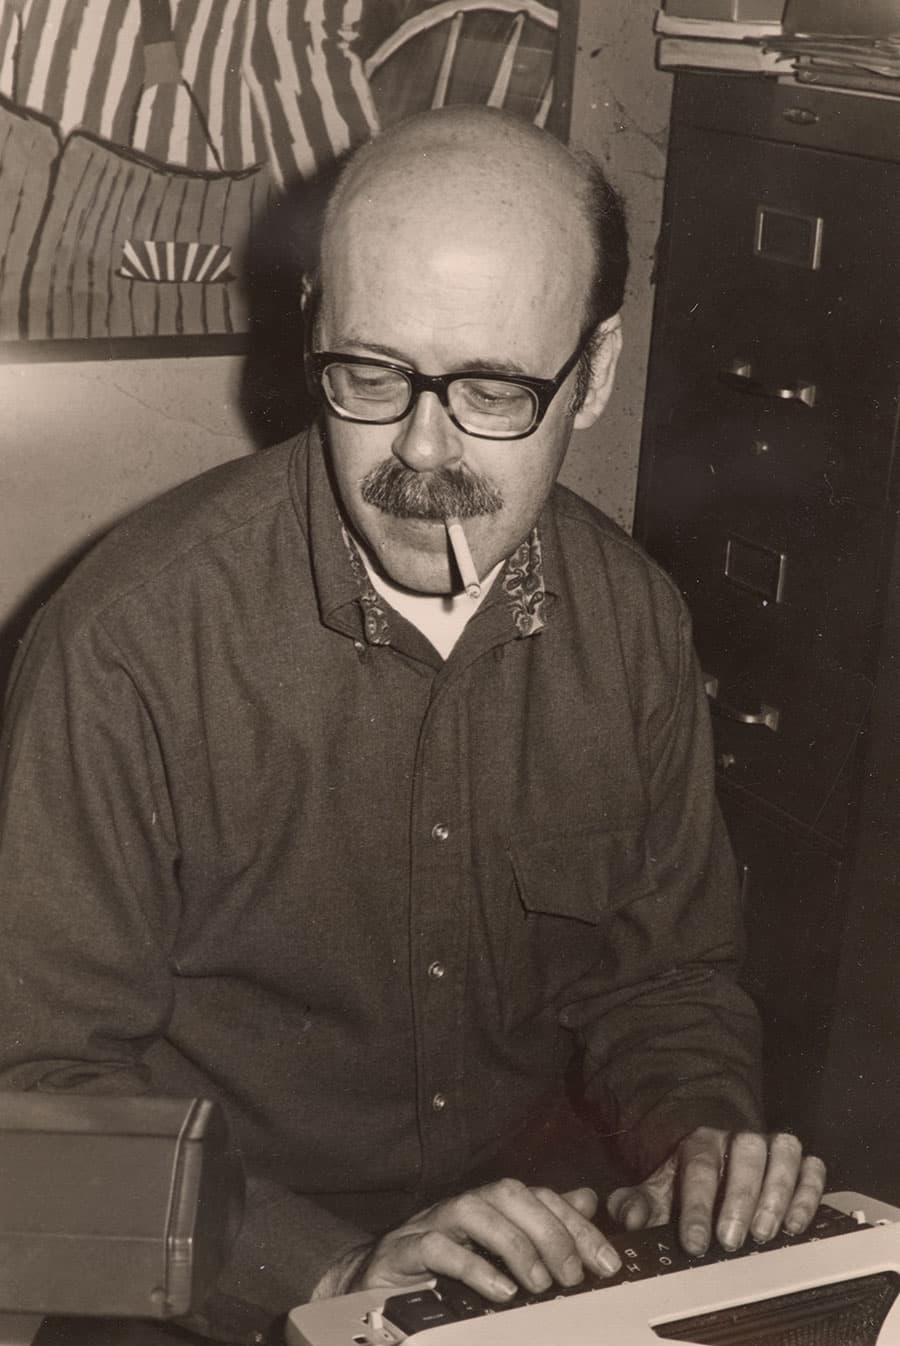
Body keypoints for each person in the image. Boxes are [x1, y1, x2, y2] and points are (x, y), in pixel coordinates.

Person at [0, 107, 825, 1342]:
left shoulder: (635, 622)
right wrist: (329, 1271)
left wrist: (697, 1143)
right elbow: (29, 1119)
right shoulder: (126, 643)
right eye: (370, 374)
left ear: (592, 375)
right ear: (313, 331)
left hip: (534, 1263)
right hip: (216, 1282)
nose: (421, 452)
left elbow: (666, 979)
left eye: (494, 389)